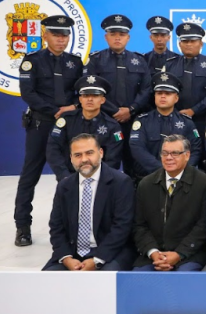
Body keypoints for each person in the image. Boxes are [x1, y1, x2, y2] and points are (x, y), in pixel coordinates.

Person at [14, 15, 84, 247]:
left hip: (68, 127)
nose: (61, 40)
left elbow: (81, 93)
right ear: (45, 35)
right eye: (56, 34)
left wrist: (73, 108)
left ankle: (73, 226)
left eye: (65, 35)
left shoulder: (75, 62)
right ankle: (22, 227)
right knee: (29, 177)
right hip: (41, 124)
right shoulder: (32, 61)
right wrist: (55, 111)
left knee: (70, 176)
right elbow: (28, 93)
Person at [43, 134, 135, 271]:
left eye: (89, 153)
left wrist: (96, 259)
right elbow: (56, 226)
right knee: (46, 281)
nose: (84, 159)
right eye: (78, 155)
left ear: (101, 153)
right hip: (72, 254)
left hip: (110, 252)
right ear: (71, 158)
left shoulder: (121, 183)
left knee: (104, 280)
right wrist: (67, 258)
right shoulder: (64, 186)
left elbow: (122, 227)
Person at [84, 15, 151, 179]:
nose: (117, 38)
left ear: (128, 37)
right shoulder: (96, 60)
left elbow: (147, 89)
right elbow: (92, 90)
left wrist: (131, 109)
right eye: (113, 34)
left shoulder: (139, 60)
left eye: (121, 34)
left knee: (135, 166)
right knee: (104, 165)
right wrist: (115, 111)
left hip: (133, 121)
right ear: (106, 37)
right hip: (104, 120)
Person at [132, 135, 206, 271]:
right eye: (165, 153)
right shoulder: (146, 184)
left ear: (187, 155)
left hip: (189, 254)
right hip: (153, 255)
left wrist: (179, 254)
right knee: (138, 280)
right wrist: (153, 252)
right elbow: (139, 225)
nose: (169, 158)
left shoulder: (204, 183)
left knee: (183, 278)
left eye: (175, 153)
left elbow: (203, 226)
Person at [47, 75, 124, 181]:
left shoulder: (112, 126)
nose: (90, 99)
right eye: (86, 95)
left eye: (95, 95)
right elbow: (53, 150)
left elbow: (113, 160)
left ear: (102, 100)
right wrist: (64, 176)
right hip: (69, 176)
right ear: (80, 99)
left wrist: (97, 180)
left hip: (100, 180)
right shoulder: (66, 120)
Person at [128, 72, 202, 182]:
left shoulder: (187, 122)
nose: (163, 96)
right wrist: (164, 170)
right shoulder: (142, 121)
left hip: (179, 180)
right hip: (147, 179)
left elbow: (195, 150)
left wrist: (180, 171)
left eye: (167, 93)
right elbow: (137, 149)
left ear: (176, 98)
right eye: (159, 93)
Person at [162, 23, 206, 137]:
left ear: (201, 44)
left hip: (204, 120)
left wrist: (194, 110)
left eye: (193, 41)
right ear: (179, 44)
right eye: (185, 41)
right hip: (174, 119)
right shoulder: (170, 64)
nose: (189, 44)